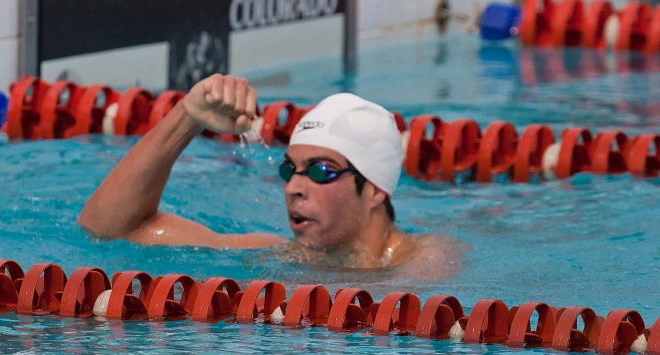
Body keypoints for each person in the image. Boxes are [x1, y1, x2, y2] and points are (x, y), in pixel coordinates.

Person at [78, 74, 460, 275]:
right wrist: (186, 118)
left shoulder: (425, 264)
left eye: (321, 171)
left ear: (376, 189)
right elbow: (108, 227)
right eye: (289, 169)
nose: (293, 187)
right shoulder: (281, 257)